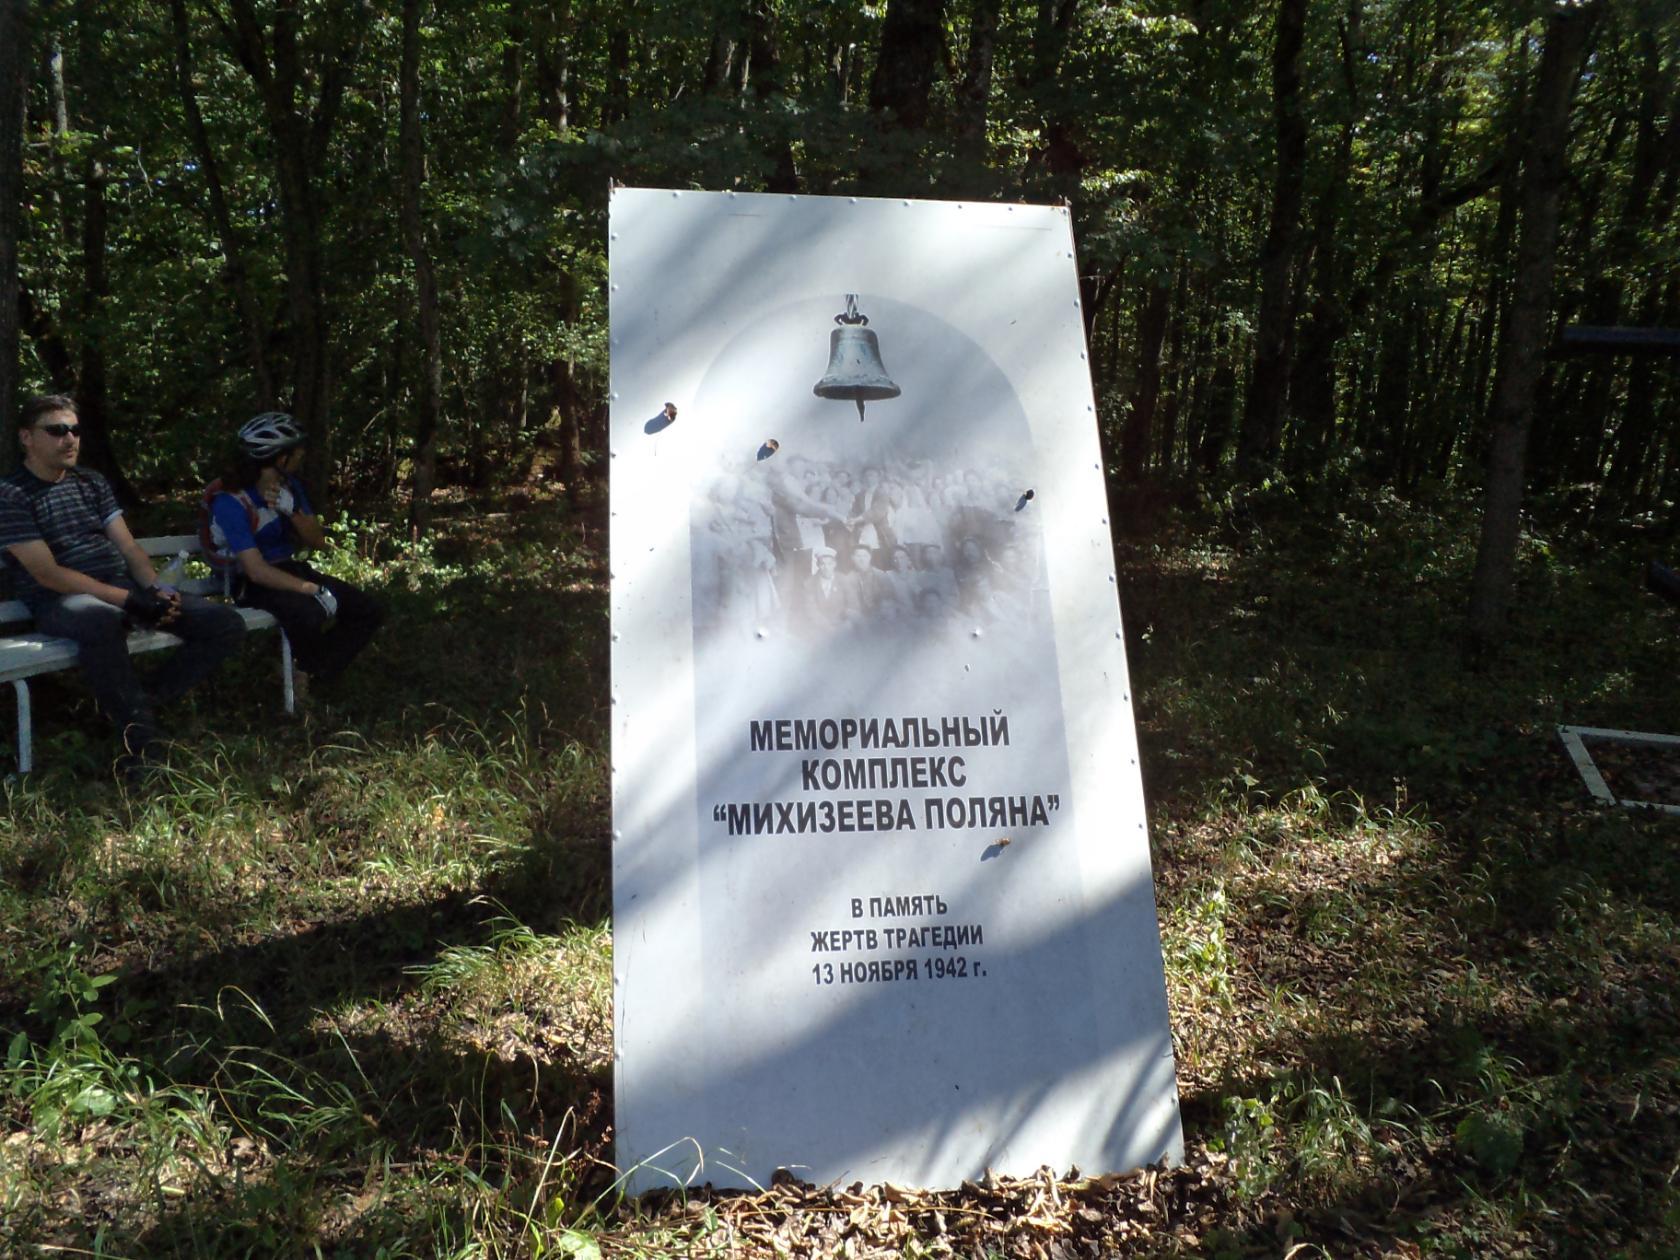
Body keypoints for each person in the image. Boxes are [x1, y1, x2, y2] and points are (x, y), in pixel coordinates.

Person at [0, 394, 245, 769]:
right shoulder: (11, 495)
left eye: (75, 430)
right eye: (57, 430)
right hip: (60, 600)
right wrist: (129, 601)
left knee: (224, 623)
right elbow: (48, 573)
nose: (69, 439)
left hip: (120, 588)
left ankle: (139, 703)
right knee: (103, 622)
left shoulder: (91, 482)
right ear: (26, 438)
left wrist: (158, 591)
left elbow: (129, 547)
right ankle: (144, 753)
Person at [208, 412, 383, 691]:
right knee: (308, 612)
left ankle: (310, 673)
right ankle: (309, 677)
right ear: (281, 459)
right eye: (297, 450)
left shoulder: (290, 487)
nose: (302, 455)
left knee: (367, 610)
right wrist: (309, 589)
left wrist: (292, 511)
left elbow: (317, 541)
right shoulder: (231, 501)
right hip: (250, 582)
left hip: (289, 568)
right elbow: (256, 571)